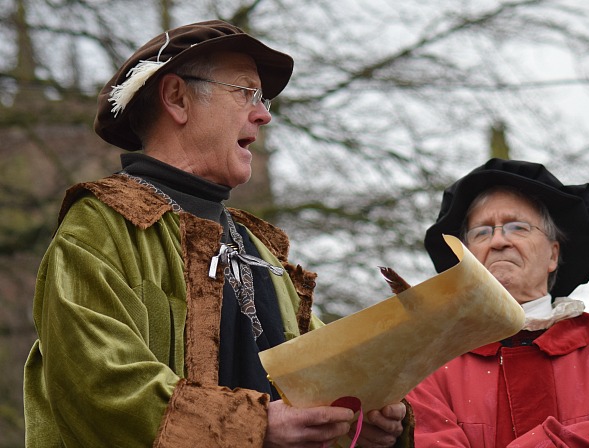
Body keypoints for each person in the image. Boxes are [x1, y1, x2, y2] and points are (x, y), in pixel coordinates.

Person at [23, 20, 410, 447]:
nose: (264, 114)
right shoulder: (101, 227)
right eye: (246, 92)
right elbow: (96, 385)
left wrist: (363, 417)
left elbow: (320, 382)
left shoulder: (261, 248)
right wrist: (253, 426)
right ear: (177, 98)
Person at [406, 158, 589, 447]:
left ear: (552, 255)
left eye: (517, 227)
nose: (498, 241)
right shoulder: (433, 364)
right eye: (482, 232)